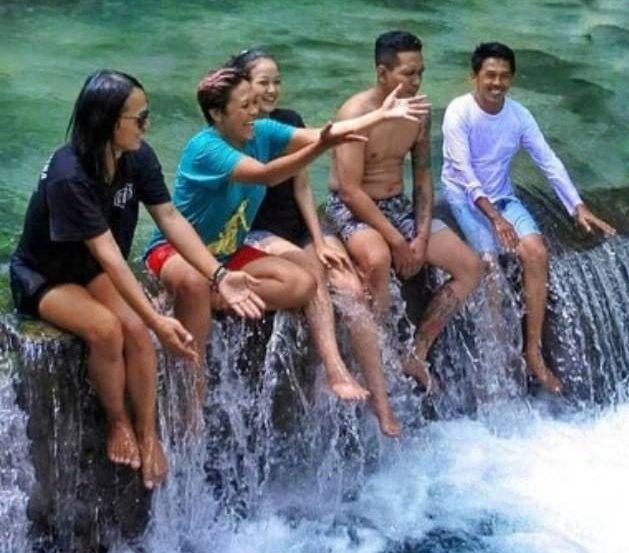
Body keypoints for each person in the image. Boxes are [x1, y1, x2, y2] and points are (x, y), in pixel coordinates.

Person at [8, 70, 263, 489]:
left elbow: (169, 217)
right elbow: (109, 254)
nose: (148, 125)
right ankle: (118, 424)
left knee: (139, 333)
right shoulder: (69, 175)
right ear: (110, 123)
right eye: (140, 118)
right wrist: (159, 318)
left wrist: (219, 274)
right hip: (45, 277)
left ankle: (148, 435)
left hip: (92, 271)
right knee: (108, 330)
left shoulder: (137, 156)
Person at [144, 65, 430, 411]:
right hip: (179, 252)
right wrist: (322, 146)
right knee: (193, 296)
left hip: (228, 253)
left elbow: (322, 132)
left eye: (254, 103)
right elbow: (265, 175)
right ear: (217, 114)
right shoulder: (207, 148)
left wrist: (378, 116)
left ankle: (216, 295)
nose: (254, 111)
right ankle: (195, 381)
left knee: (303, 283)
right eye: (244, 106)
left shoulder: (262, 131)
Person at [229, 49, 402, 436]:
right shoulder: (234, 132)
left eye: (276, 81)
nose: (272, 89)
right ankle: (334, 369)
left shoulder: (287, 121)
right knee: (315, 280)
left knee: (351, 288)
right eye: (262, 82)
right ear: (241, 86)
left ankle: (380, 398)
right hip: (258, 233)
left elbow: (302, 185)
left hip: (298, 227)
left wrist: (320, 237)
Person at [440, 42, 615, 395]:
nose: (497, 82)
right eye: (490, 75)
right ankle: (495, 359)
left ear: (512, 79)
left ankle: (532, 351)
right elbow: (464, 172)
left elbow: (548, 160)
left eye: (504, 76)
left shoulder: (519, 116)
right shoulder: (459, 113)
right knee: (489, 266)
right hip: (463, 198)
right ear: (474, 76)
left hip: (503, 198)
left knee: (536, 252)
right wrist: (494, 219)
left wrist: (577, 206)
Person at [326, 31, 485, 393]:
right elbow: (350, 191)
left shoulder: (420, 113)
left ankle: (417, 350)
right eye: (407, 74)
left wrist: (422, 235)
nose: (416, 82)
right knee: (378, 259)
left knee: (470, 267)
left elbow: (424, 177)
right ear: (383, 74)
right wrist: (399, 241)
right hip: (354, 208)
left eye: (420, 73)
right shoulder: (355, 114)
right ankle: (376, 359)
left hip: (397, 205)